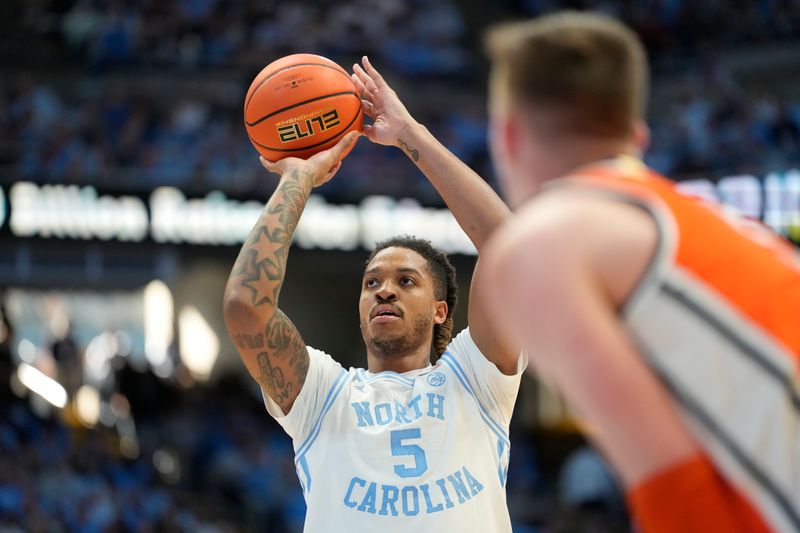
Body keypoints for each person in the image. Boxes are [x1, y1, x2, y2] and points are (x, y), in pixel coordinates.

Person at [480, 10, 799, 533]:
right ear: (637, 136)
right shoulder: (702, 219)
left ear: (509, 136)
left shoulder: (541, 244)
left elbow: (677, 490)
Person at [222, 57, 525, 532]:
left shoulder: (475, 379)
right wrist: (297, 178)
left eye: (407, 281)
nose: (385, 289)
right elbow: (245, 306)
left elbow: (509, 247)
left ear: (442, 309)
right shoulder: (323, 394)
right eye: (372, 282)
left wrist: (409, 134)